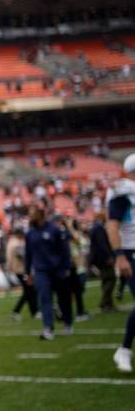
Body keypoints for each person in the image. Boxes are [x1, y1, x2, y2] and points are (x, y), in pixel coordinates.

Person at [25, 207, 73, 340]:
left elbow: (64, 249)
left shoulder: (54, 229)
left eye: (32, 213)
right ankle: (48, 327)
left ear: (40, 214)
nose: (30, 216)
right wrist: (27, 272)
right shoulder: (30, 233)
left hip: (57, 269)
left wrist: (66, 267)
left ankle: (67, 322)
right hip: (41, 271)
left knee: (63, 298)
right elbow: (28, 254)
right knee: (44, 298)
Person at [109, 153, 135, 373]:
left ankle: (124, 350)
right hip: (130, 253)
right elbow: (112, 226)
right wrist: (120, 255)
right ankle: (124, 350)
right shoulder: (124, 192)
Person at [7, 229, 38, 320]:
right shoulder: (16, 243)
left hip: (17, 269)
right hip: (21, 270)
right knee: (30, 291)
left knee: (28, 291)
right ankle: (31, 312)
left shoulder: (11, 242)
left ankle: (31, 312)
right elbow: (22, 256)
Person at [89, 211, 116, 312]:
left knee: (106, 280)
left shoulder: (94, 227)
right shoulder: (99, 228)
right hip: (103, 258)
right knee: (111, 279)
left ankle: (109, 303)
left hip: (98, 258)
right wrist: (109, 256)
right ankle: (104, 302)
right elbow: (102, 244)